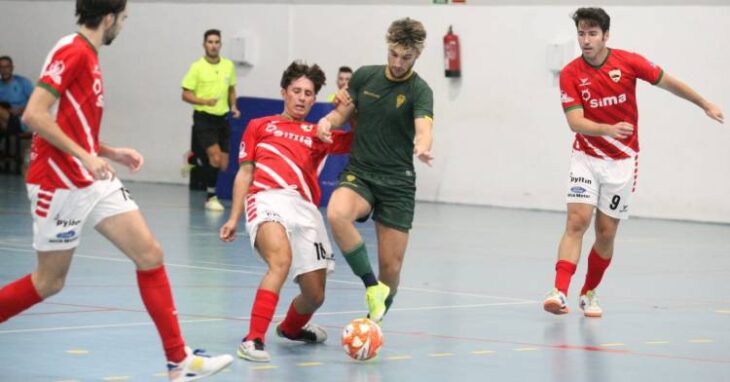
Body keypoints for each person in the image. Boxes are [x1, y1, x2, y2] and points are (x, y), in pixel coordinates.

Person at [0, 2, 233, 380]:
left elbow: (75, 128)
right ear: (108, 18)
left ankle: (179, 361)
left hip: (91, 176)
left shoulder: (90, 57)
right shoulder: (72, 49)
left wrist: (108, 152)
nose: (122, 26)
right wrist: (85, 156)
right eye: (122, 19)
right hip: (57, 181)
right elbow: (35, 115)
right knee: (49, 282)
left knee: (150, 254)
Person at [543, 7, 724, 318]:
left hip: (622, 162)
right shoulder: (571, 74)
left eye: (592, 34)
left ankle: (589, 292)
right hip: (586, 156)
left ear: (606, 36)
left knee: (606, 233)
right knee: (577, 221)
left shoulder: (628, 62)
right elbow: (575, 122)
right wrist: (607, 129)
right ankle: (559, 292)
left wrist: (704, 103)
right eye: (581, 34)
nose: (585, 40)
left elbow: (669, 82)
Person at [219, 61, 352, 362]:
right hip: (266, 199)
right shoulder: (260, 126)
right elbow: (244, 172)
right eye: (296, 91)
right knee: (280, 261)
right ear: (284, 92)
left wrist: (350, 108)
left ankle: (291, 329)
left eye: (308, 93)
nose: (302, 97)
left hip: (305, 210)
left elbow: (358, 140)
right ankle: (253, 339)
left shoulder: (320, 132)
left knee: (315, 295)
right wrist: (233, 216)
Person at [317, 17, 434, 323]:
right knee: (336, 213)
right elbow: (340, 114)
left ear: (417, 55)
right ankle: (371, 286)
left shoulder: (420, 90)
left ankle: (373, 323)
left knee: (391, 269)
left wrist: (423, 144)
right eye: (394, 54)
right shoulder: (365, 77)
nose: (398, 62)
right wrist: (326, 122)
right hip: (361, 173)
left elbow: (424, 127)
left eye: (406, 57)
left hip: (397, 184)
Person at [181, 29, 241, 211]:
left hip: (221, 119)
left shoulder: (228, 66)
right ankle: (211, 197)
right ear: (204, 45)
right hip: (203, 118)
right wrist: (204, 101)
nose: (213, 45)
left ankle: (197, 157)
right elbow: (185, 94)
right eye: (210, 42)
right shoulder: (197, 67)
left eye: (216, 42)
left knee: (222, 163)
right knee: (214, 158)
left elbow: (231, 89)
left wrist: (234, 106)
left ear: (220, 45)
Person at [0, 55, 34, 120]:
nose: (4, 70)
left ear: (12, 68)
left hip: (22, 117)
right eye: (1, 67)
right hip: (5, 117)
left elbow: (35, 102)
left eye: (7, 67)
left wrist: (20, 110)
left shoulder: (23, 82)